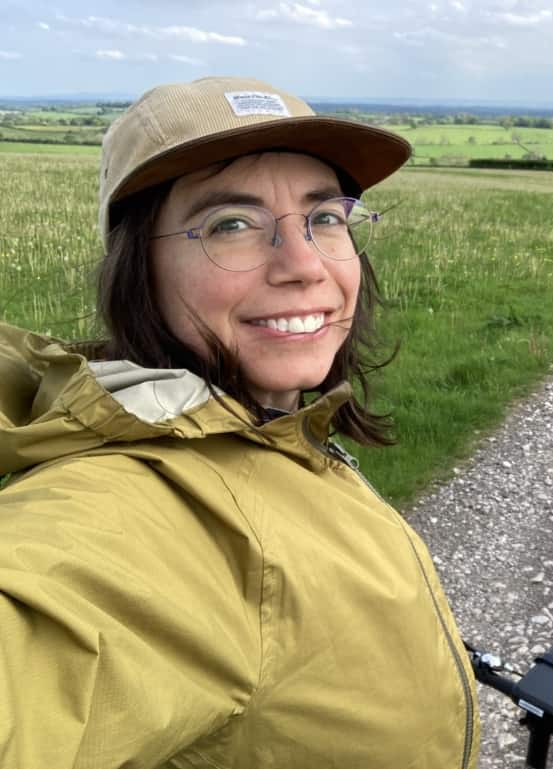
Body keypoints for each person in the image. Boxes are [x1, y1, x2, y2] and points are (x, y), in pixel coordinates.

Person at [0, 76, 479, 768]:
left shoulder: (275, 427)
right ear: (140, 269)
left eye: (326, 218)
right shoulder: (126, 513)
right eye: (232, 223)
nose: (305, 265)